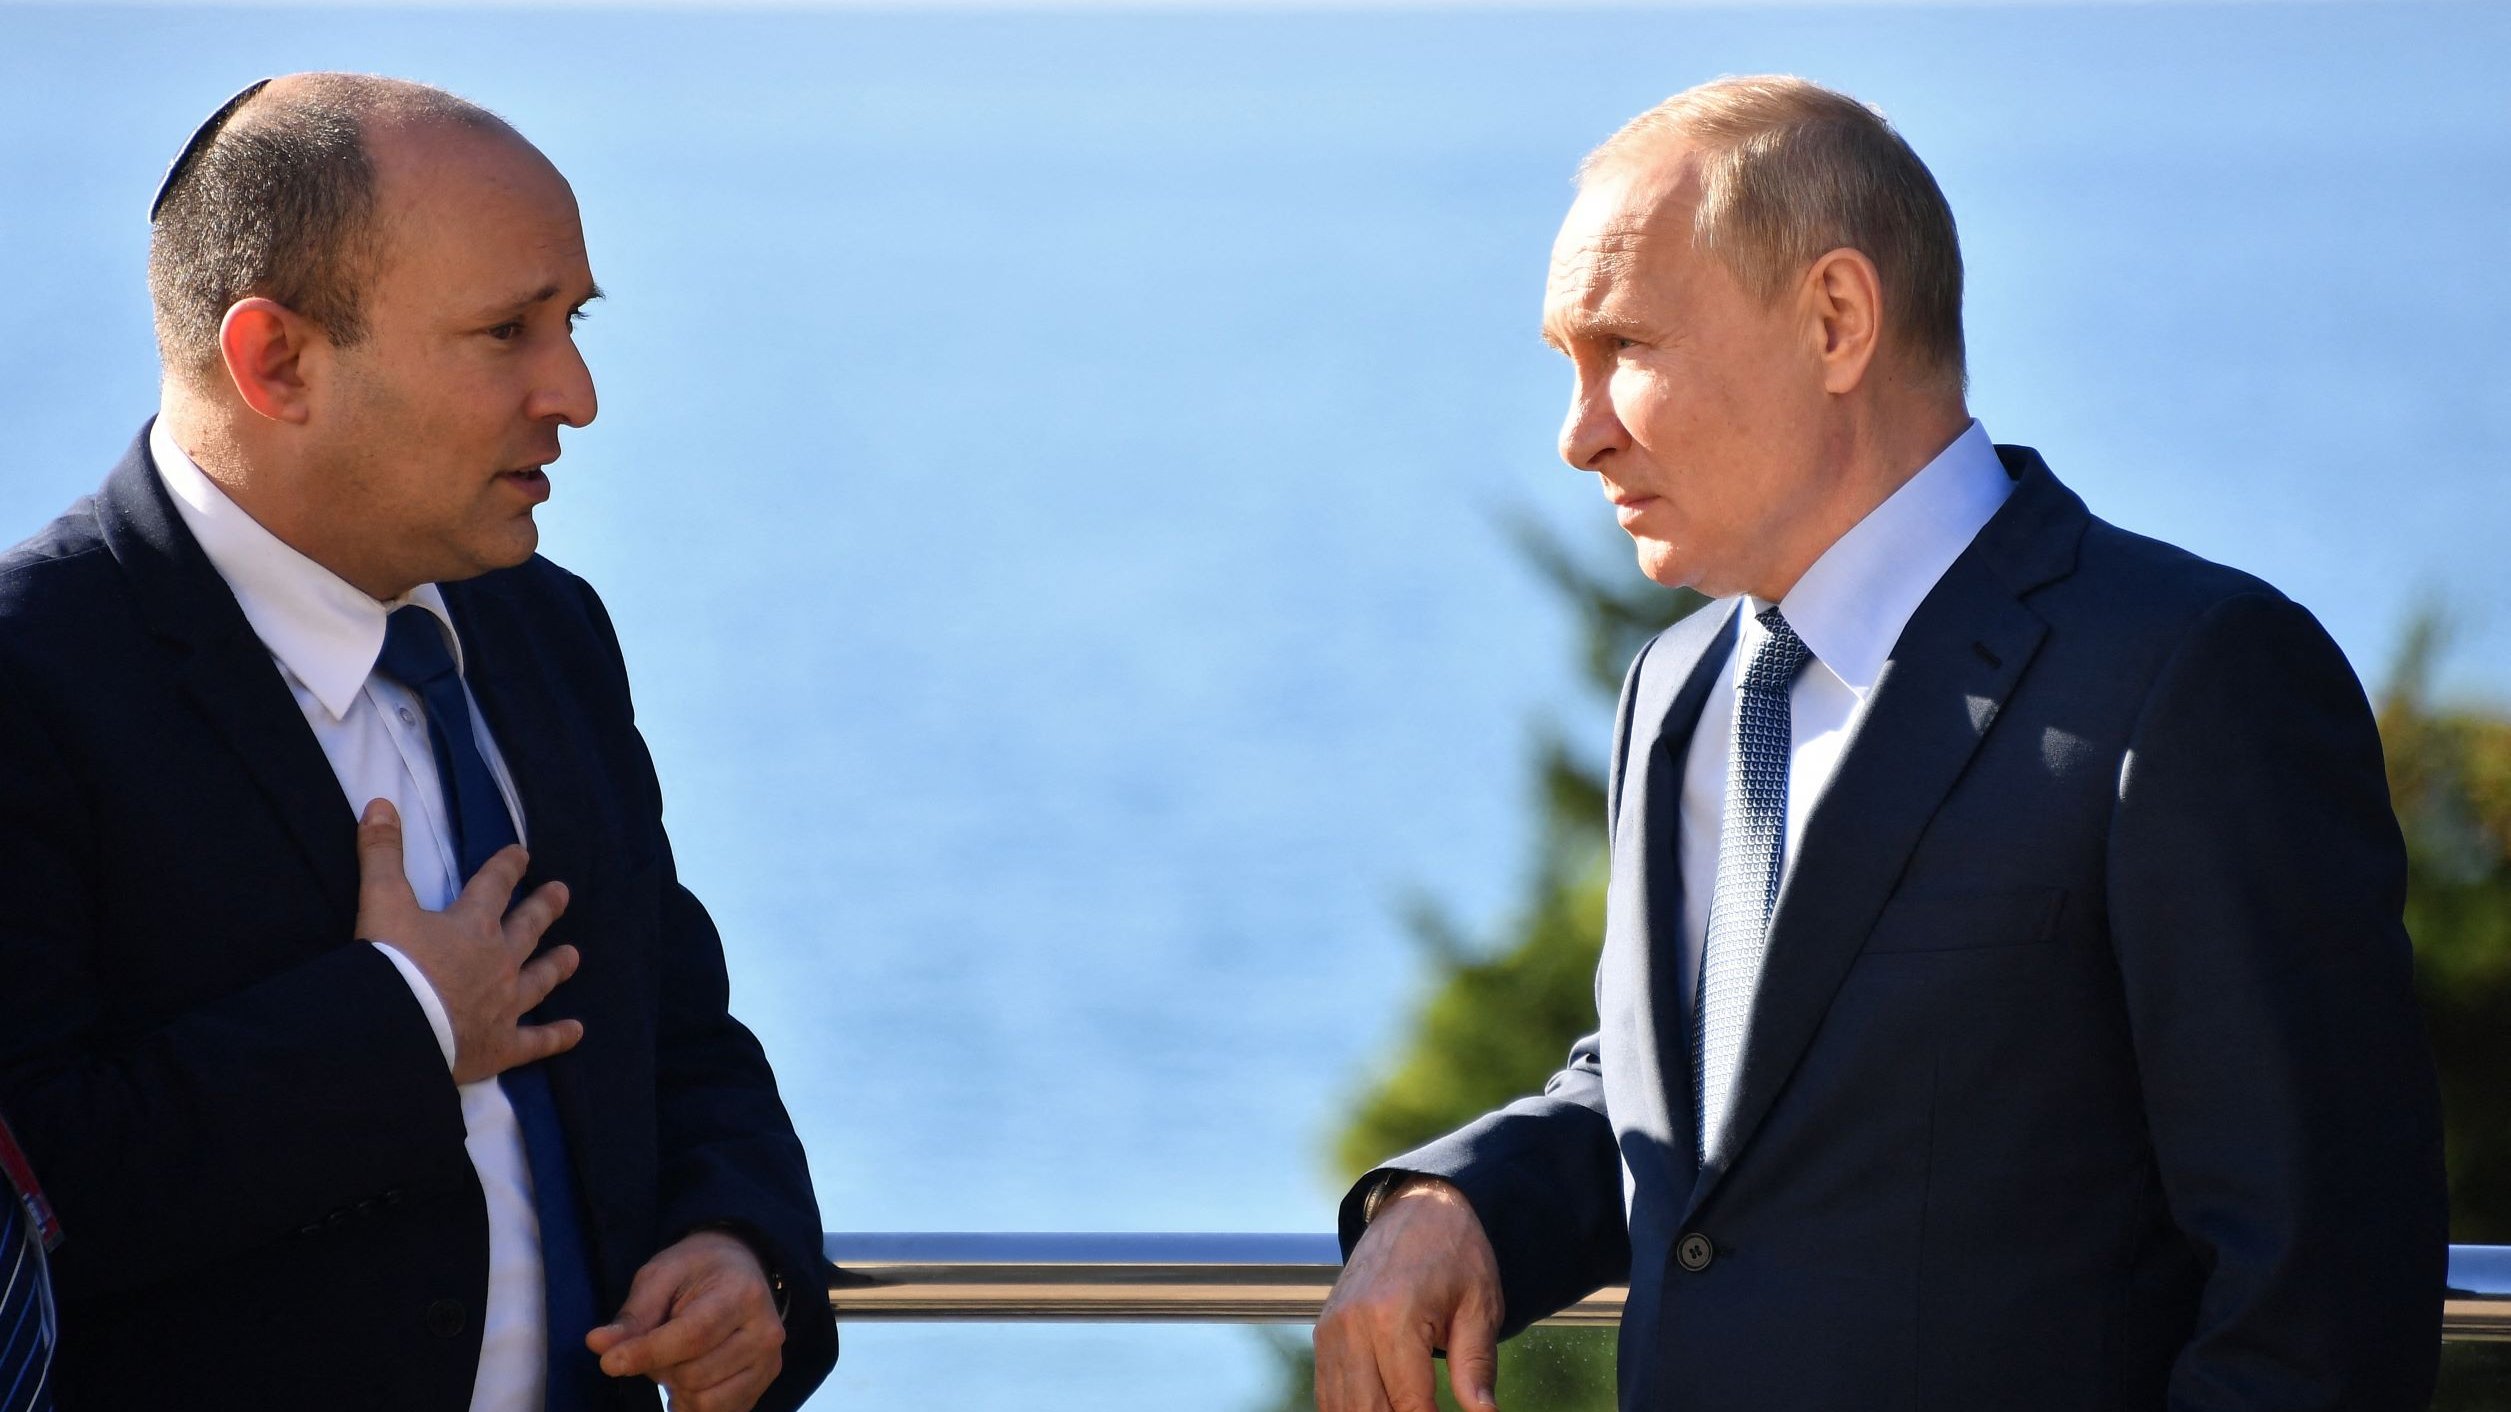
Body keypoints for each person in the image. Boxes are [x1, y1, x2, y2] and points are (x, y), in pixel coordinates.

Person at [1314, 76, 2446, 1412]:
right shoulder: (1673, 689)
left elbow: (2317, 1307)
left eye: (1623, 347)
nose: (1579, 434)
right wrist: (1459, 1202)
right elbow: (1705, 1090)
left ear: (1838, 320)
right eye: (1566, 364)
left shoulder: (2192, 679)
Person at [0, 74, 837, 1411]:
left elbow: (678, 1034)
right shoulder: (34, 677)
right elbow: (40, 1187)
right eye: (506, 332)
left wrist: (742, 1248)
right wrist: (402, 1020)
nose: (576, 393)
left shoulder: (546, 629)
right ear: (275, 361)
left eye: (573, 322)